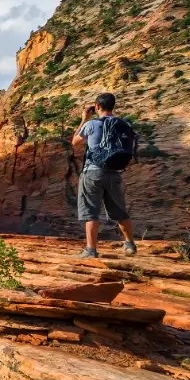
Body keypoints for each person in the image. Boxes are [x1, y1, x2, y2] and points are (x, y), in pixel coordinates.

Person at [71, 92, 137, 258]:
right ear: (112, 106)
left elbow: (75, 142)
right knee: (120, 211)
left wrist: (84, 119)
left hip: (92, 172)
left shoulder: (92, 124)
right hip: (114, 172)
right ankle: (130, 244)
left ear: (97, 107)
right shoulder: (123, 124)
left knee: (91, 212)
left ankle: (91, 250)